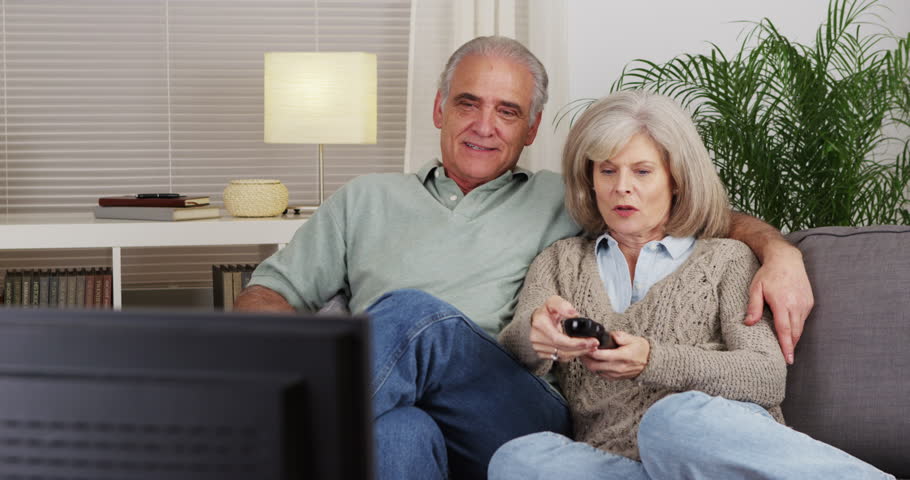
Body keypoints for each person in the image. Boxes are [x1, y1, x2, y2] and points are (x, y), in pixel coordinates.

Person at [234, 36, 814, 479]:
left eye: (507, 111)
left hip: (510, 408)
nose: (484, 126)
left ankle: (260, 443)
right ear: (439, 108)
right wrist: (291, 362)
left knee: (416, 317)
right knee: (397, 435)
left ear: (532, 126)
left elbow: (685, 212)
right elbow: (265, 294)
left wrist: (775, 247)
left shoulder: (560, 200)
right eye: (468, 104)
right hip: (396, 398)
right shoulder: (364, 199)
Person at [488, 90, 892, 480]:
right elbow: (515, 349)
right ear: (590, 179)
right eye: (607, 170)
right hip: (616, 465)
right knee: (520, 459)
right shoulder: (560, 262)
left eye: (642, 171)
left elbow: (766, 375)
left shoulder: (725, 259)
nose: (621, 187)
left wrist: (652, 360)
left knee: (673, 422)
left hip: (705, 448)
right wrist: (536, 335)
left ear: (676, 180)